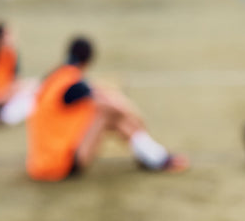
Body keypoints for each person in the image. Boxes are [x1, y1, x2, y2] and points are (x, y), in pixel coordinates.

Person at [26, 36, 188, 181]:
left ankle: (151, 156)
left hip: (41, 163)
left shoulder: (54, 77)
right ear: (88, 61)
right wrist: (137, 118)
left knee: (104, 113)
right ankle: (155, 157)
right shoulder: (73, 83)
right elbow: (114, 105)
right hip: (59, 164)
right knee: (106, 113)